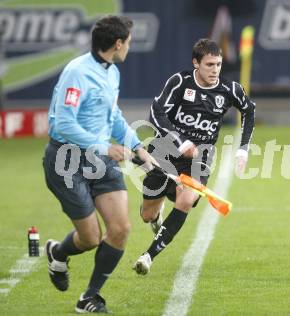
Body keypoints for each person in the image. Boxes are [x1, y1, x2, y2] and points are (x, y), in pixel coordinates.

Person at [43, 15, 155, 313]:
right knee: (91, 238)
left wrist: (137, 146)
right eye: (128, 43)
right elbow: (64, 124)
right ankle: (58, 251)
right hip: (66, 161)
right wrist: (105, 147)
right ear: (117, 44)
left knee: (120, 228)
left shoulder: (111, 72)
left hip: (100, 161)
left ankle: (89, 296)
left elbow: (114, 118)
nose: (129, 48)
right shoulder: (77, 73)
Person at [133, 38, 255, 275]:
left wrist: (243, 148)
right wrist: (181, 141)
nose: (215, 70)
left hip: (201, 155)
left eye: (218, 64)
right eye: (210, 64)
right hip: (166, 150)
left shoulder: (230, 89)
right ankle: (156, 214)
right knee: (147, 214)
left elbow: (249, 111)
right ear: (196, 63)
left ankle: (148, 256)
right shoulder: (180, 82)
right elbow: (156, 114)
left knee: (186, 200)